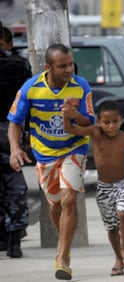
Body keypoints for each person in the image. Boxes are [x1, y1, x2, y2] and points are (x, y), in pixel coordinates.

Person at [8, 43, 95, 280]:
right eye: (62, 66)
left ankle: (63, 257)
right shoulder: (31, 88)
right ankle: (63, 241)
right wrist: (15, 149)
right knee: (55, 205)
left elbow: (90, 123)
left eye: (70, 64)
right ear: (48, 67)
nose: (69, 70)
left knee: (69, 199)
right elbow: (15, 122)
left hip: (73, 148)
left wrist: (76, 116)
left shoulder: (81, 86)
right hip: (44, 153)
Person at [62, 99, 124, 276]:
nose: (111, 126)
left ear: (121, 119)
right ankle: (118, 258)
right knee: (111, 226)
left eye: (115, 121)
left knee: (123, 213)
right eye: (106, 122)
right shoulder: (95, 132)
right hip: (104, 188)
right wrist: (67, 114)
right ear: (98, 121)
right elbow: (69, 130)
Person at [0, 23, 31, 258]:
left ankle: (10, 239)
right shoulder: (19, 64)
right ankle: (14, 239)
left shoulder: (16, 64)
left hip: (9, 132)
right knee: (15, 187)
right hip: (10, 132)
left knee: (13, 186)